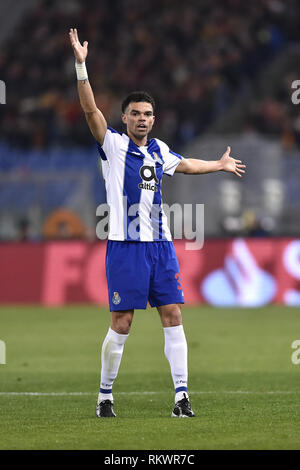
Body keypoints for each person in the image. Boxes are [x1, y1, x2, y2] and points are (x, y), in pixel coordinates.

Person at [69, 28, 246, 418]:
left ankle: (181, 397)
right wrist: (81, 66)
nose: (143, 119)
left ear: (154, 118)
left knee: (174, 315)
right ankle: (104, 397)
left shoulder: (159, 150)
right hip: (124, 245)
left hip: (160, 246)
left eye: (148, 114)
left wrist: (217, 164)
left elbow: (184, 165)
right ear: (125, 117)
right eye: (136, 113)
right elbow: (89, 111)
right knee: (123, 321)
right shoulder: (112, 146)